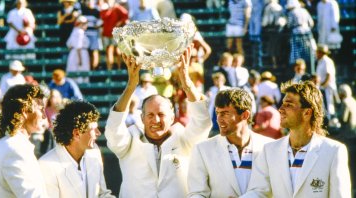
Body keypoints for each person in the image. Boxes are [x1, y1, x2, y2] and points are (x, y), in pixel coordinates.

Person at [104, 46, 212, 197]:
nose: (156, 120)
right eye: (150, 115)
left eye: (161, 114)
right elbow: (113, 129)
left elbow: (203, 122)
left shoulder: (184, 140)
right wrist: (130, 87)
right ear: (142, 118)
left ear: (172, 118)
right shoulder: (129, 143)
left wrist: (186, 83)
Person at [242, 81, 352, 198]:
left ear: (307, 112)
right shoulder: (269, 150)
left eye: (288, 105)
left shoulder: (333, 151)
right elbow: (259, 192)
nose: (280, 109)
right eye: (282, 103)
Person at [187, 88, 273, 197]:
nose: (218, 119)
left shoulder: (269, 147)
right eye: (217, 113)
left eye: (225, 113)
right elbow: (196, 193)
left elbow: (268, 190)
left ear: (245, 115)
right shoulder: (202, 149)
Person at [39, 100, 114, 198]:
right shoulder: (46, 166)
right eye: (93, 129)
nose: (98, 133)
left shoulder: (94, 153)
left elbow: (102, 194)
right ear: (76, 134)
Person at [0, 84, 48, 198]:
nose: (45, 116)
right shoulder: (15, 148)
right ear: (24, 111)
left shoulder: (13, 144)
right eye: (41, 109)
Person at [286, 0, 315, 73]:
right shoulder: (304, 10)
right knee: (309, 53)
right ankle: (310, 69)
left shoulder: (291, 12)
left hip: (296, 33)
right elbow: (311, 23)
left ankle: (299, 71)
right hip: (307, 32)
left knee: (297, 54)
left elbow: (289, 24)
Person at [100, 0, 129, 70]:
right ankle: (109, 69)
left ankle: (118, 68)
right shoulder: (104, 8)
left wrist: (119, 22)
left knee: (116, 50)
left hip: (115, 33)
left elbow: (126, 15)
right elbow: (103, 17)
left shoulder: (117, 7)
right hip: (107, 33)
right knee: (109, 50)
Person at [315, 45, 338, 121]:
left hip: (328, 88)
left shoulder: (327, 61)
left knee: (330, 106)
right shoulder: (320, 61)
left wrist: (323, 86)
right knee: (325, 107)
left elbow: (329, 75)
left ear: (321, 52)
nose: (316, 54)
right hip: (323, 88)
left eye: (317, 52)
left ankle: (332, 123)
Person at [66, 15, 90, 83]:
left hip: (73, 53)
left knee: (74, 70)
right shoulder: (80, 32)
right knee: (81, 69)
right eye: (85, 24)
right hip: (81, 54)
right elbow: (78, 46)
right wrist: (80, 59)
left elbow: (69, 45)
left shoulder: (74, 31)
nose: (86, 25)